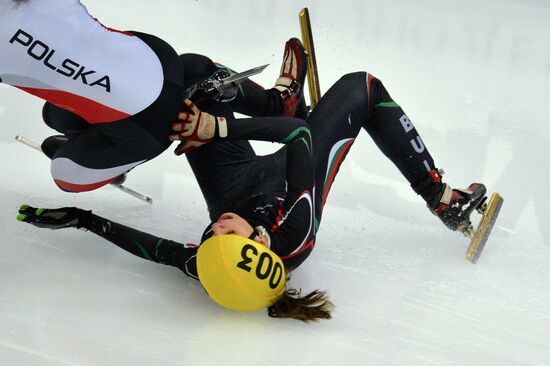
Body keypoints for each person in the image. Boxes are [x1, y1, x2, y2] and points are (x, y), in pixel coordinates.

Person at [16, 37, 488, 321]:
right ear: (260, 244)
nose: (217, 225)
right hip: (294, 169)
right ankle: (443, 198)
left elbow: (151, 248)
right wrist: (217, 127)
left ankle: (114, 147)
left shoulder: (210, 262)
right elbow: (299, 137)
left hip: (232, 179)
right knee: (361, 86)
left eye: (209, 236)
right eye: (226, 233)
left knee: (194, 75)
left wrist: (82, 218)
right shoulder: (293, 233)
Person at [0, 0, 301, 192]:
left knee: (67, 173)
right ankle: (269, 101)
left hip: (145, 125)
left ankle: (177, 112)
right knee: (55, 114)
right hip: (159, 57)